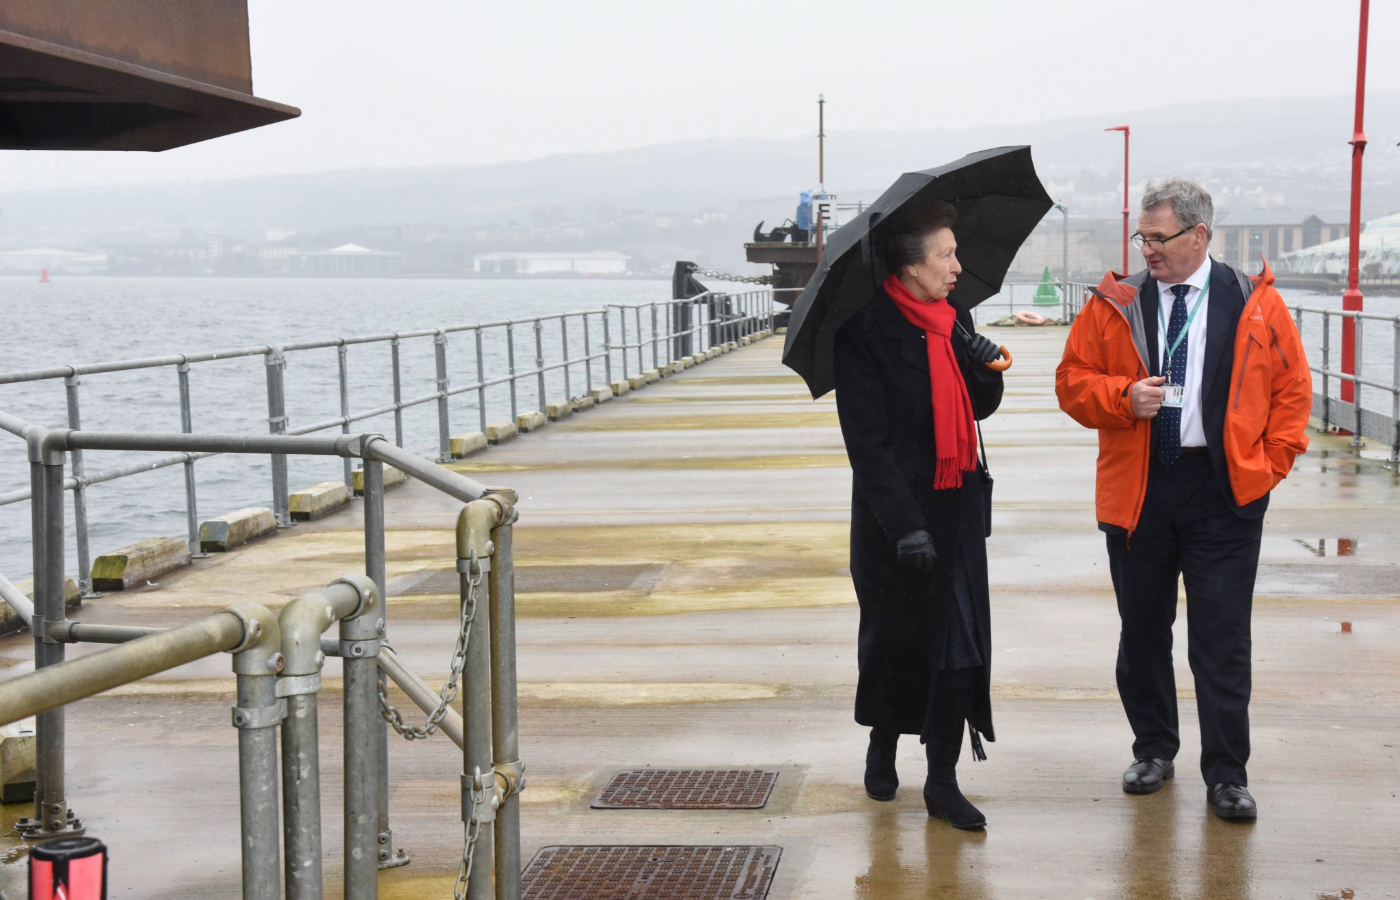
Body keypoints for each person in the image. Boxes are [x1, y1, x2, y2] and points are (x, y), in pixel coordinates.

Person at [1055, 177, 1311, 820]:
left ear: (1200, 235)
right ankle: (1154, 749)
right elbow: (1071, 381)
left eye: (1158, 237)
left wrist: (1268, 467)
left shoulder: (1253, 301)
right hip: (1140, 491)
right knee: (1142, 631)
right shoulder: (1117, 302)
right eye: (1141, 237)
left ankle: (1227, 773)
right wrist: (1122, 399)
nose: (1147, 249)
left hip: (1224, 492)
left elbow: (1293, 391)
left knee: (1220, 639)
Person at [833, 200, 1005, 829]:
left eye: (956, 252)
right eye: (946, 254)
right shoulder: (864, 333)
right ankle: (883, 740)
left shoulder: (951, 322)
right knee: (895, 648)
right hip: (895, 525)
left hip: (956, 510)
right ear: (909, 265)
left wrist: (982, 363)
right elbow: (868, 447)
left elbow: (978, 409)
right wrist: (905, 527)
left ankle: (942, 781)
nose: (958, 266)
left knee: (958, 648)